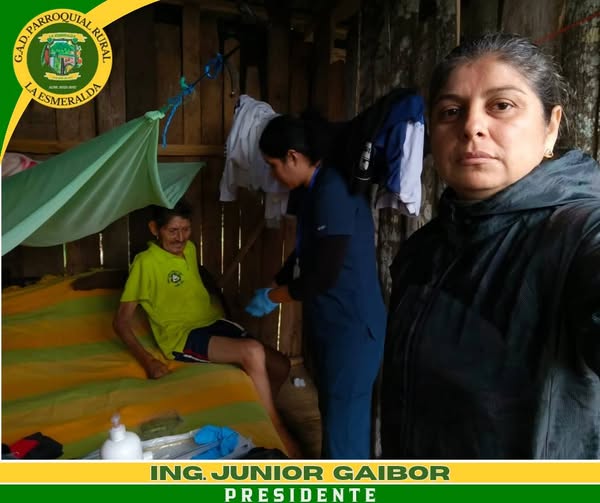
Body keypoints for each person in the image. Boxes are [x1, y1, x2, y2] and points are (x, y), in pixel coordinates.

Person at [380, 33, 600, 459]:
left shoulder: (578, 234)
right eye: (450, 111)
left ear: (551, 126)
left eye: (502, 105)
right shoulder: (421, 251)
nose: (471, 127)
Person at [244, 114, 387, 459]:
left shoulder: (332, 189)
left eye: (273, 165)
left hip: (353, 329)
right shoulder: (314, 190)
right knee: (337, 419)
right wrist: (277, 280)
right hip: (336, 326)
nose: (273, 175)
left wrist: (274, 297)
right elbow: (308, 251)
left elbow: (324, 274)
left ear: (293, 156)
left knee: (344, 432)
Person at [112, 202, 302, 458]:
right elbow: (121, 322)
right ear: (155, 229)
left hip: (212, 323)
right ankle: (276, 426)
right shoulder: (145, 264)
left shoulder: (189, 249)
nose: (180, 238)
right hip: (182, 336)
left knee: (281, 365)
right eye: (173, 231)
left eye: (186, 229)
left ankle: (261, 414)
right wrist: (148, 361)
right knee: (252, 351)